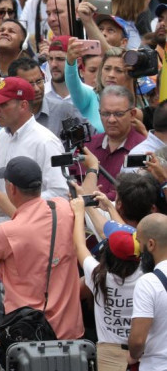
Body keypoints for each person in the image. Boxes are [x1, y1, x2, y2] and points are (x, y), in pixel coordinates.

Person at [0, 156, 84, 340]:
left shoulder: (7, 232)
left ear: (11, 188)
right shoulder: (61, 208)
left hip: (29, 337)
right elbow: (27, 218)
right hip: (70, 333)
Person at [70, 198, 142, 371]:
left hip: (108, 356)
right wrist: (110, 208)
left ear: (107, 254)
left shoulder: (97, 274)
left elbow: (79, 245)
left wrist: (79, 211)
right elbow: (130, 238)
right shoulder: (145, 273)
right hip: (141, 354)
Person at [0, 77, 68, 210]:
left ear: (23, 105)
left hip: (32, 228)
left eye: (3, 104)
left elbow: (60, 194)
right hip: (3, 227)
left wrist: (10, 205)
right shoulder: (2, 135)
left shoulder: (45, 141)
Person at [86, 86, 146, 200]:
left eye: (118, 114)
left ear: (132, 114)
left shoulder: (142, 150)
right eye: (105, 114)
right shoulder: (88, 145)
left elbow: (136, 194)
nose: (111, 120)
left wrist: (97, 196)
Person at [8, 57, 83, 138]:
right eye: (29, 84)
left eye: (39, 81)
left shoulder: (65, 110)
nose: (36, 89)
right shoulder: (4, 114)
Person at [129, 213, 167, 369]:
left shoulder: (148, 282)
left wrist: (133, 354)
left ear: (151, 244)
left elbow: (138, 341)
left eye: (139, 243)